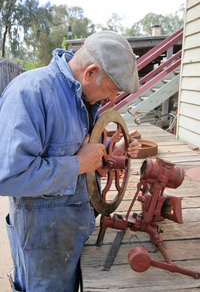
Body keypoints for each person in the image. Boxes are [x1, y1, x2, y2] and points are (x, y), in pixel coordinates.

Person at [0, 31, 140, 292]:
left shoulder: (84, 98)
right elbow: (7, 176)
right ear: (90, 72)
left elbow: (78, 146)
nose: (111, 100)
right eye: (112, 90)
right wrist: (77, 165)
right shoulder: (31, 93)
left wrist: (112, 150)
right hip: (44, 244)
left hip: (75, 230)